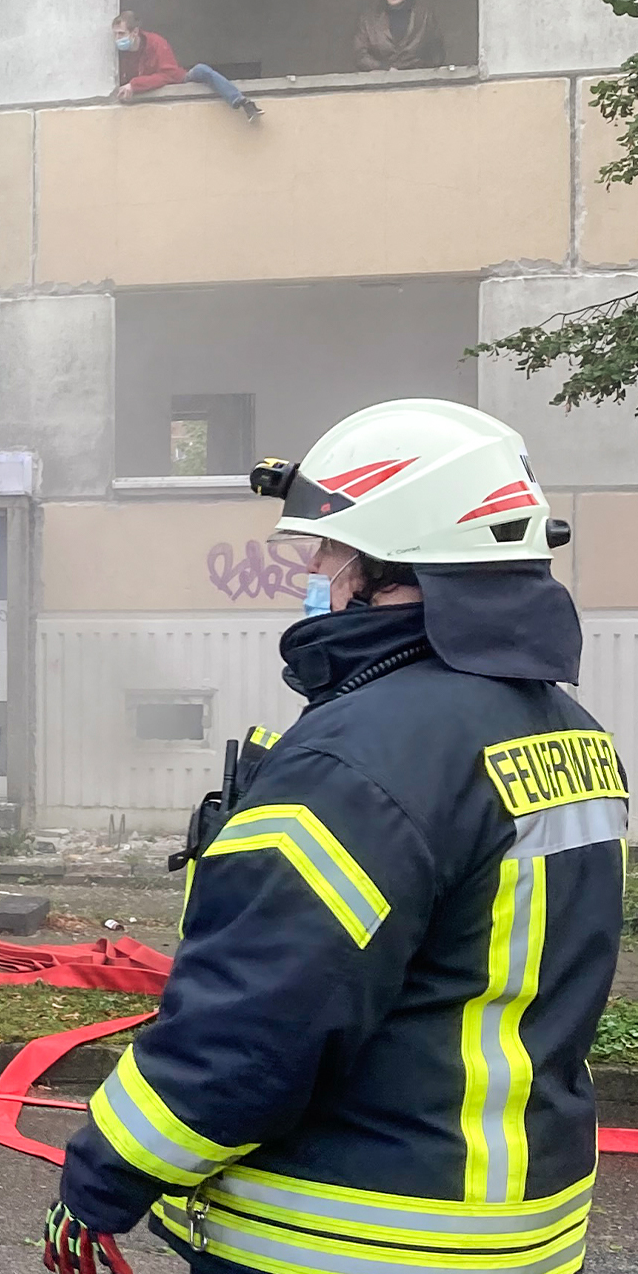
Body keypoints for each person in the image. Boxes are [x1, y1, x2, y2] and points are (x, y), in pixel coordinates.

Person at [46, 399, 625, 1274]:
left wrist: (102, 1180)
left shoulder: (364, 757)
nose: (313, 568)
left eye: (328, 548)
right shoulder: (567, 729)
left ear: (392, 558)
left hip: (355, 1235)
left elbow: (256, 1018)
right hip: (520, 1234)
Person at [114, 11, 263, 123]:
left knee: (201, 70)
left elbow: (169, 75)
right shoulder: (119, 55)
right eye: (115, 35)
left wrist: (135, 85)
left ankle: (242, 102)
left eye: (121, 34)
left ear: (134, 32)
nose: (117, 39)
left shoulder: (156, 43)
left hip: (179, 81)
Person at [355, 0, 445, 71]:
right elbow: (360, 55)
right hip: (381, 81)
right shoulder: (368, 21)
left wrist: (421, 71)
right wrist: (384, 69)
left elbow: (437, 52)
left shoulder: (424, 16)